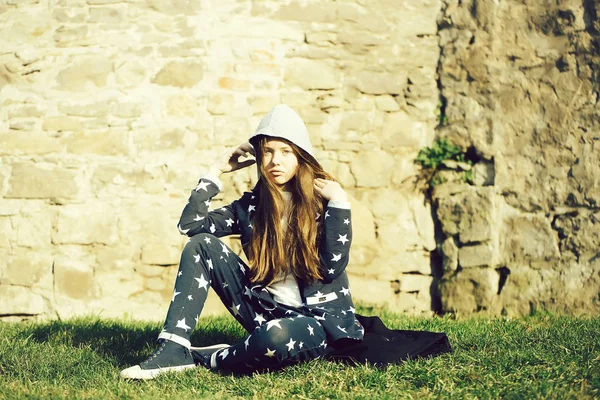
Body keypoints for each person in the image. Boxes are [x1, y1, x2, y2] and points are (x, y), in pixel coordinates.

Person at [120, 104, 363, 379]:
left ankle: (212, 356)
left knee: (276, 336)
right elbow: (190, 226)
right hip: (263, 309)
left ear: (300, 157)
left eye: (286, 152)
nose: (275, 161)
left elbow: (331, 267)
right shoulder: (250, 208)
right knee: (201, 244)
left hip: (314, 322)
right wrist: (215, 171)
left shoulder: (322, 202)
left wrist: (340, 203)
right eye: (268, 151)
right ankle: (173, 349)